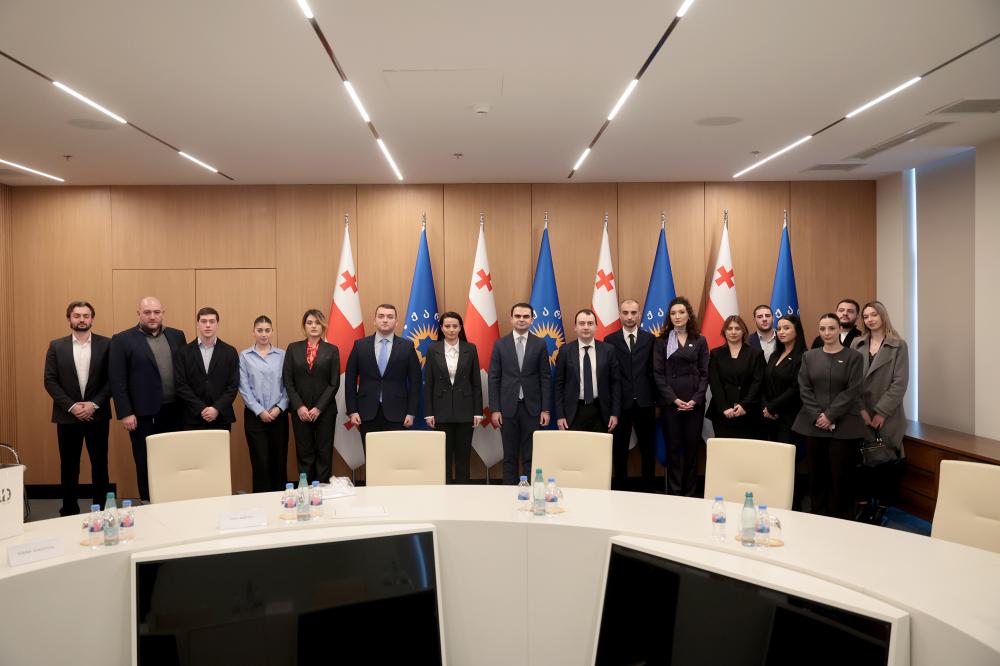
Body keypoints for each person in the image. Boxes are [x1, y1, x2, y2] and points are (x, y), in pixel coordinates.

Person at [109, 296, 187, 501]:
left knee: (173, 459)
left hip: (175, 410)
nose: (152, 316)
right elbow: (117, 380)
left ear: (162, 313)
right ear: (139, 314)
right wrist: (125, 412)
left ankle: (172, 499)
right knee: (145, 460)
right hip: (142, 413)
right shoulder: (122, 340)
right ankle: (147, 501)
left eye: (156, 312)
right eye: (147, 312)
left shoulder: (177, 336)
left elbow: (184, 371)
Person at [43, 301, 112, 516]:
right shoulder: (56, 346)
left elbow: (113, 379)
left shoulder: (107, 344)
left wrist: (93, 404)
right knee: (69, 466)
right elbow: (50, 380)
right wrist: (72, 407)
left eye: (86, 316)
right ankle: (69, 510)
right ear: (69, 319)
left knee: (100, 465)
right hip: (67, 417)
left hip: (97, 415)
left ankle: (101, 510)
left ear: (92, 319)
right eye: (77, 316)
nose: (81, 320)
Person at [794, 312, 865, 519]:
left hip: (845, 426)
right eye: (823, 329)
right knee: (816, 475)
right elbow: (804, 388)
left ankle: (839, 518)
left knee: (841, 476)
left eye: (832, 328)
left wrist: (830, 416)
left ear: (839, 329)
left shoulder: (854, 357)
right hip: (813, 425)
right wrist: (818, 416)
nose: (827, 333)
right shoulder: (809, 356)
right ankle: (817, 514)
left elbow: (853, 390)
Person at [852, 301, 910, 524]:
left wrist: (881, 412)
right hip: (860, 413)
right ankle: (864, 505)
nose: (870, 319)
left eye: (874, 315)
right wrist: (861, 410)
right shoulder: (857, 343)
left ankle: (882, 507)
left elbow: (899, 383)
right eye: (866, 316)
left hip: (887, 414)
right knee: (861, 463)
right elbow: (851, 381)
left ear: (883, 316)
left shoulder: (898, 345)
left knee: (885, 464)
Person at [488, 302, 551, 484]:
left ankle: (532, 492)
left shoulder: (540, 344)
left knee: (531, 454)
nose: (521, 319)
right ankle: (509, 493)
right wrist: (495, 409)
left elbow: (545, 378)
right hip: (507, 409)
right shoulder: (500, 344)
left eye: (525, 316)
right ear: (511, 319)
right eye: (517, 316)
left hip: (533, 408)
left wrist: (545, 409)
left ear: (532, 320)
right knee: (510, 455)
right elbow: (494, 378)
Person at [653, 297, 708, 497]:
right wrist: (674, 399)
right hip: (671, 404)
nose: (677, 316)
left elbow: (705, 373)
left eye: (681, 312)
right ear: (669, 317)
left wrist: (696, 399)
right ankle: (675, 494)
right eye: (673, 313)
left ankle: (690, 494)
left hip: (694, 404)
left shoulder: (699, 340)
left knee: (692, 450)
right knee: (674, 449)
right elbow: (658, 374)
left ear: (688, 315)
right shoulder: (662, 341)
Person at [345, 304, 420, 447]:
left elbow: (415, 382)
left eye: (390, 317)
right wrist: (352, 411)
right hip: (366, 413)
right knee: (372, 455)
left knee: (394, 456)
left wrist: (411, 412)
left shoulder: (407, 347)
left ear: (396, 322)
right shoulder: (360, 346)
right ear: (374, 321)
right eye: (381, 316)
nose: (385, 320)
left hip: (398, 413)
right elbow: (350, 381)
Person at [423, 312, 483, 484]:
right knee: (444, 457)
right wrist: (429, 412)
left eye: (455, 326)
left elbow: (476, 382)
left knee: (463, 457)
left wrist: (478, 412)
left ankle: (463, 493)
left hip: (465, 410)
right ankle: (445, 492)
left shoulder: (470, 348)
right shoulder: (432, 349)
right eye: (447, 326)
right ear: (441, 328)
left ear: (460, 328)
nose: (451, 330)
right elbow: (429, 383)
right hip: (440, 410)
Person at [605, 299, 657, 491]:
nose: (629, 317)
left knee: (648, 450)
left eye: (633, 312)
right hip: (621, 404)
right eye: (625, 312)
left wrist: (657, 402)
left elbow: (654, 371)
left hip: (646, 403)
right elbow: (609, 375)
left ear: (639, 314)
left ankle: (649, 491)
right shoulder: (610, 340)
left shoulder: (650, 339)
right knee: (619, 451)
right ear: (620, 314)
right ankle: (620, 491)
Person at [284, 310, 340, 483]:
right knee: (304, 452)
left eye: (317, 323)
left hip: (325, 411)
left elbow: (334, 383)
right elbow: (288, 380)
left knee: (324, 452)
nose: (314, 326)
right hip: (300, 411)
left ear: (323, 326)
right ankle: (306, 489)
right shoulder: (293, 349)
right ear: (304, 326)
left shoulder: (332, 350)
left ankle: (322, 488)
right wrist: (299, 406)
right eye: (309, 323)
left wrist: (318, 408)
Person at [761, 314, 807, 509]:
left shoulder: (803, 356)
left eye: (786, 328)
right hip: (770, 418)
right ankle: (775, 502)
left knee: (787, 464)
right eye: (779, 328)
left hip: (790, 418)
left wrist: (772, 407)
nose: (781, 332)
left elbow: (796, 389)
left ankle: (792, 505)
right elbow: (764, 384)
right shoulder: (774, 355)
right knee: (773, 463)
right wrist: (766, 407)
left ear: (797, 330)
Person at [239, 315, 289, 493]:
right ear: (253, 332)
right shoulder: (244, 356)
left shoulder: (282, 355)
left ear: (272, 332)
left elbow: (289, 385)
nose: (263, 334)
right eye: (259, 330)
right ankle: (261, 502)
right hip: (255, 417)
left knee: (279, 461)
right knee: (260, 462)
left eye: (267, 330)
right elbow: (244, 387)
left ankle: (281, 501)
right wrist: (259, 410)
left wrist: (279, 408)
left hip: (279, 416)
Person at [555, 309, 620, 434]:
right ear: (575, 327)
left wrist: (614, 413)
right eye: (582, 323)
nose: (586, 327)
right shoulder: (565, 351)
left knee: (599, 446)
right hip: (573, 412)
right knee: (576, 446)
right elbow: (559, 385)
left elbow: (615, 383)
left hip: (601, 411)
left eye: (590, 323)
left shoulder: (608, 350)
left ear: (596, 327)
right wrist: (560, 415)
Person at [173, 307, 239, 431]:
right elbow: (181, 385)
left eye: (212, 321)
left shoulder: (230, 352)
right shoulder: (183, 352)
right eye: (203, 321)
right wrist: (201, 408)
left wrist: (216, 408)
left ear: (217, 324)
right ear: (197, 324)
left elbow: (233, 385)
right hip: (192, 416)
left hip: (220, 416)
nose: (208, 325)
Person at [707, 315, 764, 439]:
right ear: (724, 331)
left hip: (748, 412)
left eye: (737, 328)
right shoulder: (716, 353)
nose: (733, 332)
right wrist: (724, 408)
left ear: (743, 331)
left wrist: (745, 405)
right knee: (725, 449)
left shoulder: (756, 354)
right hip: (723, 413)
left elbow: (758, 383)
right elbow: (715, 383)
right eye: (729, 328)